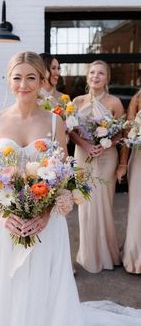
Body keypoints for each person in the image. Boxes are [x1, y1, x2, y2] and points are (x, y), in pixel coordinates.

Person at [0, 51, 86, 326]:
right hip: (4, 222)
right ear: (8, 80)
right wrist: (3, 213)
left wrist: (46, 214)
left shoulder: (55, 121)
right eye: (17, 77)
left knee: (42, 286)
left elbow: (64, 173)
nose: (24, 85)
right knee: (4, 288)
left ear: (43, 80)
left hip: (44, 224)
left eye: (31, 77)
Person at [70, 60, 124, 273]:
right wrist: (85, 144)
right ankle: (88, 255)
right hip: (83, 154)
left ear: (107, 78)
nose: (95, 76)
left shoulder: (114, 102)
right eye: (92, 72)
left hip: (106, 156)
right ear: (87, 76)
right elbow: (70, 130)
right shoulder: (77, 101)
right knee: (85, 204)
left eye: (101, 73)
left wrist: (105, 143)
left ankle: (107, 255)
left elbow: (121, 132)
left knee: (103, 203)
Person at [116, 90, 141, 274]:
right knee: (137, 208)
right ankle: (135, 258)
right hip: (139, 159)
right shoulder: (138, 98)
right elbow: (127, 133)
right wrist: (123, 163)